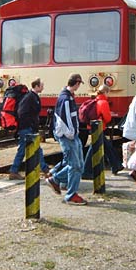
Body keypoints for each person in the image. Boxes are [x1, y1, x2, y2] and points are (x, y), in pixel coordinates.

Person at [46, 73, 88, 204]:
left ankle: (57, 180)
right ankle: (70, 194)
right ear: (77, 83)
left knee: (78, 165)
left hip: (69, 135)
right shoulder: (66, 99)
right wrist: (71, 133)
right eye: (79, 84)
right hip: (68, 136)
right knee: (75, 165)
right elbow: (67, 118)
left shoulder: (67, 97)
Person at [9, 78, 49, 180]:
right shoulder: (30, 97)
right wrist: (30, 125)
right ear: (36, 86)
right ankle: (45, 170)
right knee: (33, 150)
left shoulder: (32, 96)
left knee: (25, 150)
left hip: (28, 128)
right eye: (42, 85)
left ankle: (14, 171)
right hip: (27, 128)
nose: (43, 87)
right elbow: (22, 112)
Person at [82, 85, 123, 179]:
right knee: (94, 148)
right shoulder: (103, 102)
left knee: (107, 147)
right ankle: (86, 171)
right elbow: (107, 118)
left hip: (92, 127)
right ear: (105, 92)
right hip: (100, 127)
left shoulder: (94, 101)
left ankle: (116, 166)